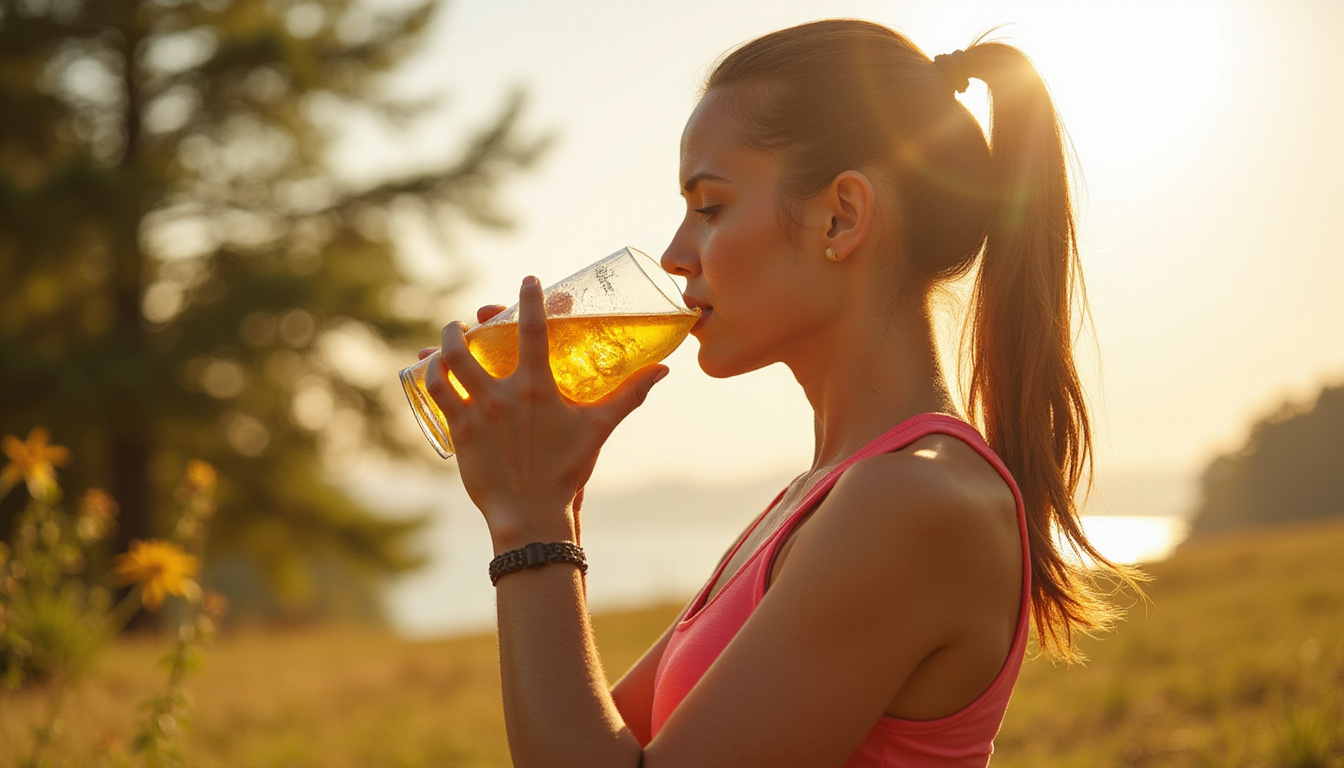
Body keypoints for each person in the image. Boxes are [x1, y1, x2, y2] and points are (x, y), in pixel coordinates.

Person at [422, 18, 1140, 768]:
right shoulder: (825, 497)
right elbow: (607, 747)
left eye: (710, 206)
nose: (673, 255)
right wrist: (552, 495)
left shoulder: (913, 501)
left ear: (843, 216)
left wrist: (530, 521)